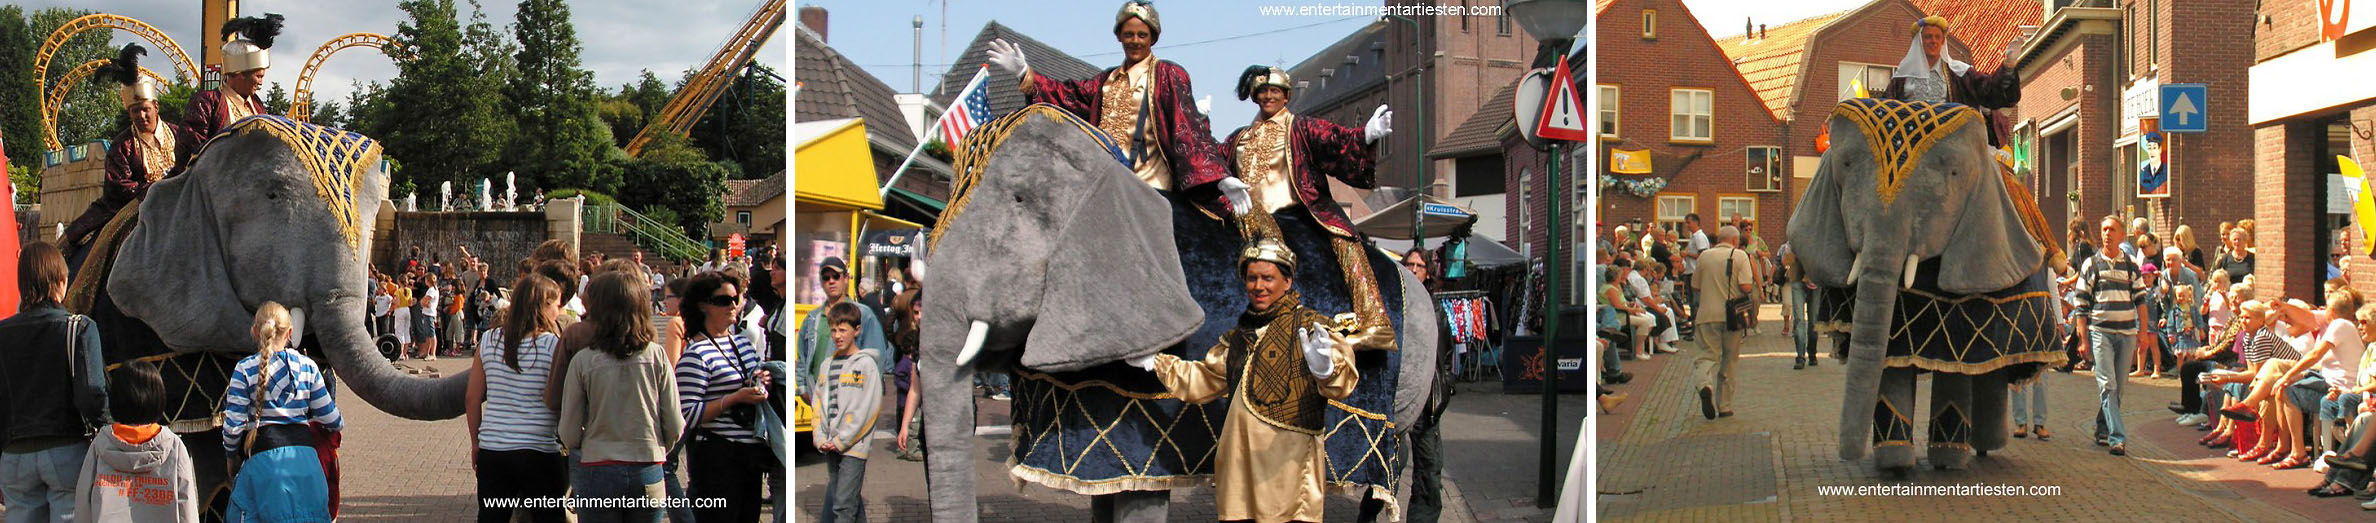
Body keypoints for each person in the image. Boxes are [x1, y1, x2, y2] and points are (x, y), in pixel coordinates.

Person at [1132, 237, 1358, 523]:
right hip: (1238, 470)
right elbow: (1204, 380)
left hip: (1285, 473)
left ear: (1288, 282)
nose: (1258, 286)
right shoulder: (1239, 336)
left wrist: (1328, 371)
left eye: (1268, 278)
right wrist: (1156, 363)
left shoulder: (1312, 328)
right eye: (1252, 278)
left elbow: (1343, 380)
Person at [986, 0, 1233, 210]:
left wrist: (1218, 177)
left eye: (1142, 35)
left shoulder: (1168, 74)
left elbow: (1187, 128)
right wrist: (1024, 74)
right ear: (1118, 36)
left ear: (1153, 38)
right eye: (1129, 34)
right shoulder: (1105, 81)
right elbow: (1066, 97)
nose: (1135, 41)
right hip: (1102, 186)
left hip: (1150, 189)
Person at [1217, 65, 1399, 349]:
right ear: (1254, 96)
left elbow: (1333, 140)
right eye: (1262, 91)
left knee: (1345, 240)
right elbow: (1212, 165)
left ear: (1286, 95)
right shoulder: (1238, 138)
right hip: (1245, 216)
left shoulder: (1300, 128)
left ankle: (1376, 322)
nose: (1268, 96)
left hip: (1298, 212)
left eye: (1274, 91)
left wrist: (1365, 134)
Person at [557, 272, 683, 523]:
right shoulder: (657, 357)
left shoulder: (583, 361)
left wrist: (586, 444)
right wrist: (659, 447)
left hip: (598, 467)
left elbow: (569, 431)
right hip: (646, 464)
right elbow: (675, 423)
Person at [0, 242, 107, 523]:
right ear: (60, 280)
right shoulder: (79, 328)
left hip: (14, 456)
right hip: (67, 451)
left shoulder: (2, 333)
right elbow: (93, 394)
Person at [66, 43, 195, 253]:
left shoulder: (178, 134)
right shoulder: (122, 145)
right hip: (137, 207)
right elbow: (117, 186)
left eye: (145, 109)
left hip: (182, 201)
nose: (141, 116)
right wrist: (153, 190)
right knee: (109, 244)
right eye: (135, 111)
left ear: (156, 107)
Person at [222, 302, 343, 523]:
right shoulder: (308, 366)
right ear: (290, 332)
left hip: (263, 465)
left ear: (255, 331)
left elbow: (233, 427)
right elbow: (333, 419)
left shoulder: (244, 369)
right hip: (307, 464)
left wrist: (231, 457)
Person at [676, 273, 778, 523]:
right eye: (723, 300)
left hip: (750, 457)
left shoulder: (743, 344)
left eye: (736, 298)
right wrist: (734, 398)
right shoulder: (695, 353)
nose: (733, 305)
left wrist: (763, 381)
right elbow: (688, 414)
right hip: (716, 457)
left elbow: (756, 379)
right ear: (703, 306)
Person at [468, 274, 568, 523]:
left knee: (492, 516)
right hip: (539, 450)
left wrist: (476, 442)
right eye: (557, 304)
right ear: (543, 305)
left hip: (494, 449)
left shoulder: (489, 339)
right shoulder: (551, 345)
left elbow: (472, 397)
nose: (559, 310)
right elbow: (561, 398)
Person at [73, 361, 199, 523]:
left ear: (115, 399)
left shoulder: (100, 445)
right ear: (158, 398)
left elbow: (83, 504)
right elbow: (187, 509)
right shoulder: (173, 446)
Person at [1885, 15, 2021, 147]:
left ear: (1943, 41)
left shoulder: (1960, 73)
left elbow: (1990, 90)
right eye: (1928, 37)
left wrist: (2008, 65)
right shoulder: (1901, 78)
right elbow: (1886, 112)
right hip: (1912, 145)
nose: (1933, 41)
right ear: (1920, 41)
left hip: (1954, 145)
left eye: (1938, 37)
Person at [2076, 216, 2143, 456]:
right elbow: (2081, 305)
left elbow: (2141, 300)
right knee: (2108, 384)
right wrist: (2082, 338)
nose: (2107, 234)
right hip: (2101, 332)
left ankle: (2102, 426)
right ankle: (2118, 437)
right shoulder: (2091, 264)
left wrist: (2142, 333)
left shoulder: (2131, 265)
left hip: (2126, 333)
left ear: (2122, 235)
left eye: (2112, 230)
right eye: (2104, 229)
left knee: (2119, 388)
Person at [811, 302, 881, 523]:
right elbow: (818, 403)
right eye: (833, 330)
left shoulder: (866, 365)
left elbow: (868, 409)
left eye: (843, 330)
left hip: (853, 446)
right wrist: (820, 436)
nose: (837, 336)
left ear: (856, 330)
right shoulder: (826, 365)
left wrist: (843, 440)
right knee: (848, 501)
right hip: (830, 443)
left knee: (842, 506)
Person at [797, 257, 888, 398]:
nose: (831, 281)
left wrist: (866, 396)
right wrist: (803, 388)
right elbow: (802, 356)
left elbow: (877, 357)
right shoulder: (812, 318)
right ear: (821, 282)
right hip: (818, 397)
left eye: (836, 276)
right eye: (826, 278)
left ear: (845, 279)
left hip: (851, 397)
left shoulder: (863, 314)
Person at [1689, 226, 1755, 420]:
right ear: (1735, 240)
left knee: (1705, 356)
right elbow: (1745, 286)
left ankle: (1704, 386)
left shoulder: (1704, 257)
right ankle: (1724, 406)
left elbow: (1695, 285)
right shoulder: (1740, 255)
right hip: (1732, 317)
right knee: (1729, 360)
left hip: (1706, 315)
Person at [183, 15, 280, 144]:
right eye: (258, 76)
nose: (261, 82)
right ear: (239, 73)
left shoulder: (257, 105)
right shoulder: (207, 103)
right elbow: (191, 151)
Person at [889, 289, 925, 462]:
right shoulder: (917, 340)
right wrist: (905, 425)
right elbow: (914, 389)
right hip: (926, 420)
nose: (919, 317)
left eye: (923, 311)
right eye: (916, 312)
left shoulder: (948, 338)